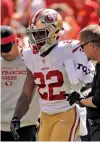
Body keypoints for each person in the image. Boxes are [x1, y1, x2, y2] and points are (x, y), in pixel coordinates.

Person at [10, 9, 95, 141]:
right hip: (45, 116)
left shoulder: (70, 50)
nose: (36, 38)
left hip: (67, 112)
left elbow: (93, 82)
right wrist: (16, 117)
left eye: (40, 33)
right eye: (34, 34)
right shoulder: (29, 55)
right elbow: (26, 93)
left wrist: (82, 94)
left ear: (54, 32)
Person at [1, 26, 40, 141]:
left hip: (25, 124)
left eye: (6, 48)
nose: (3, 53)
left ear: (17, 41)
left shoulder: (31, 59)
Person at [67, 24, 100, 141]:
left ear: (90, 45)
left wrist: (80, 99)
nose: (81, 50)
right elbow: (96, 90)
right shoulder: (98, 64)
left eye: (82, 47)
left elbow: (97, 101)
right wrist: (83, 94)